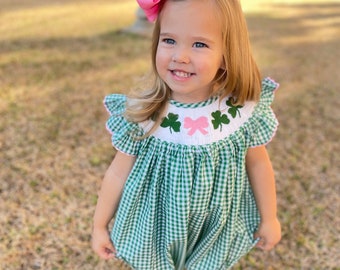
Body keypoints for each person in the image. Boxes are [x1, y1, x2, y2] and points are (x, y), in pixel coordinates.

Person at [92, 0, 281, 269]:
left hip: (215, 228)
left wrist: (269, 218)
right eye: (169, 40)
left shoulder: (238, 112)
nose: (180, 56)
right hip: (157, 228)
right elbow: (118, 173)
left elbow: (259, 163)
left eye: (199, 44)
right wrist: (100, 225)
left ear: (227, 53)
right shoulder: (147, 113)